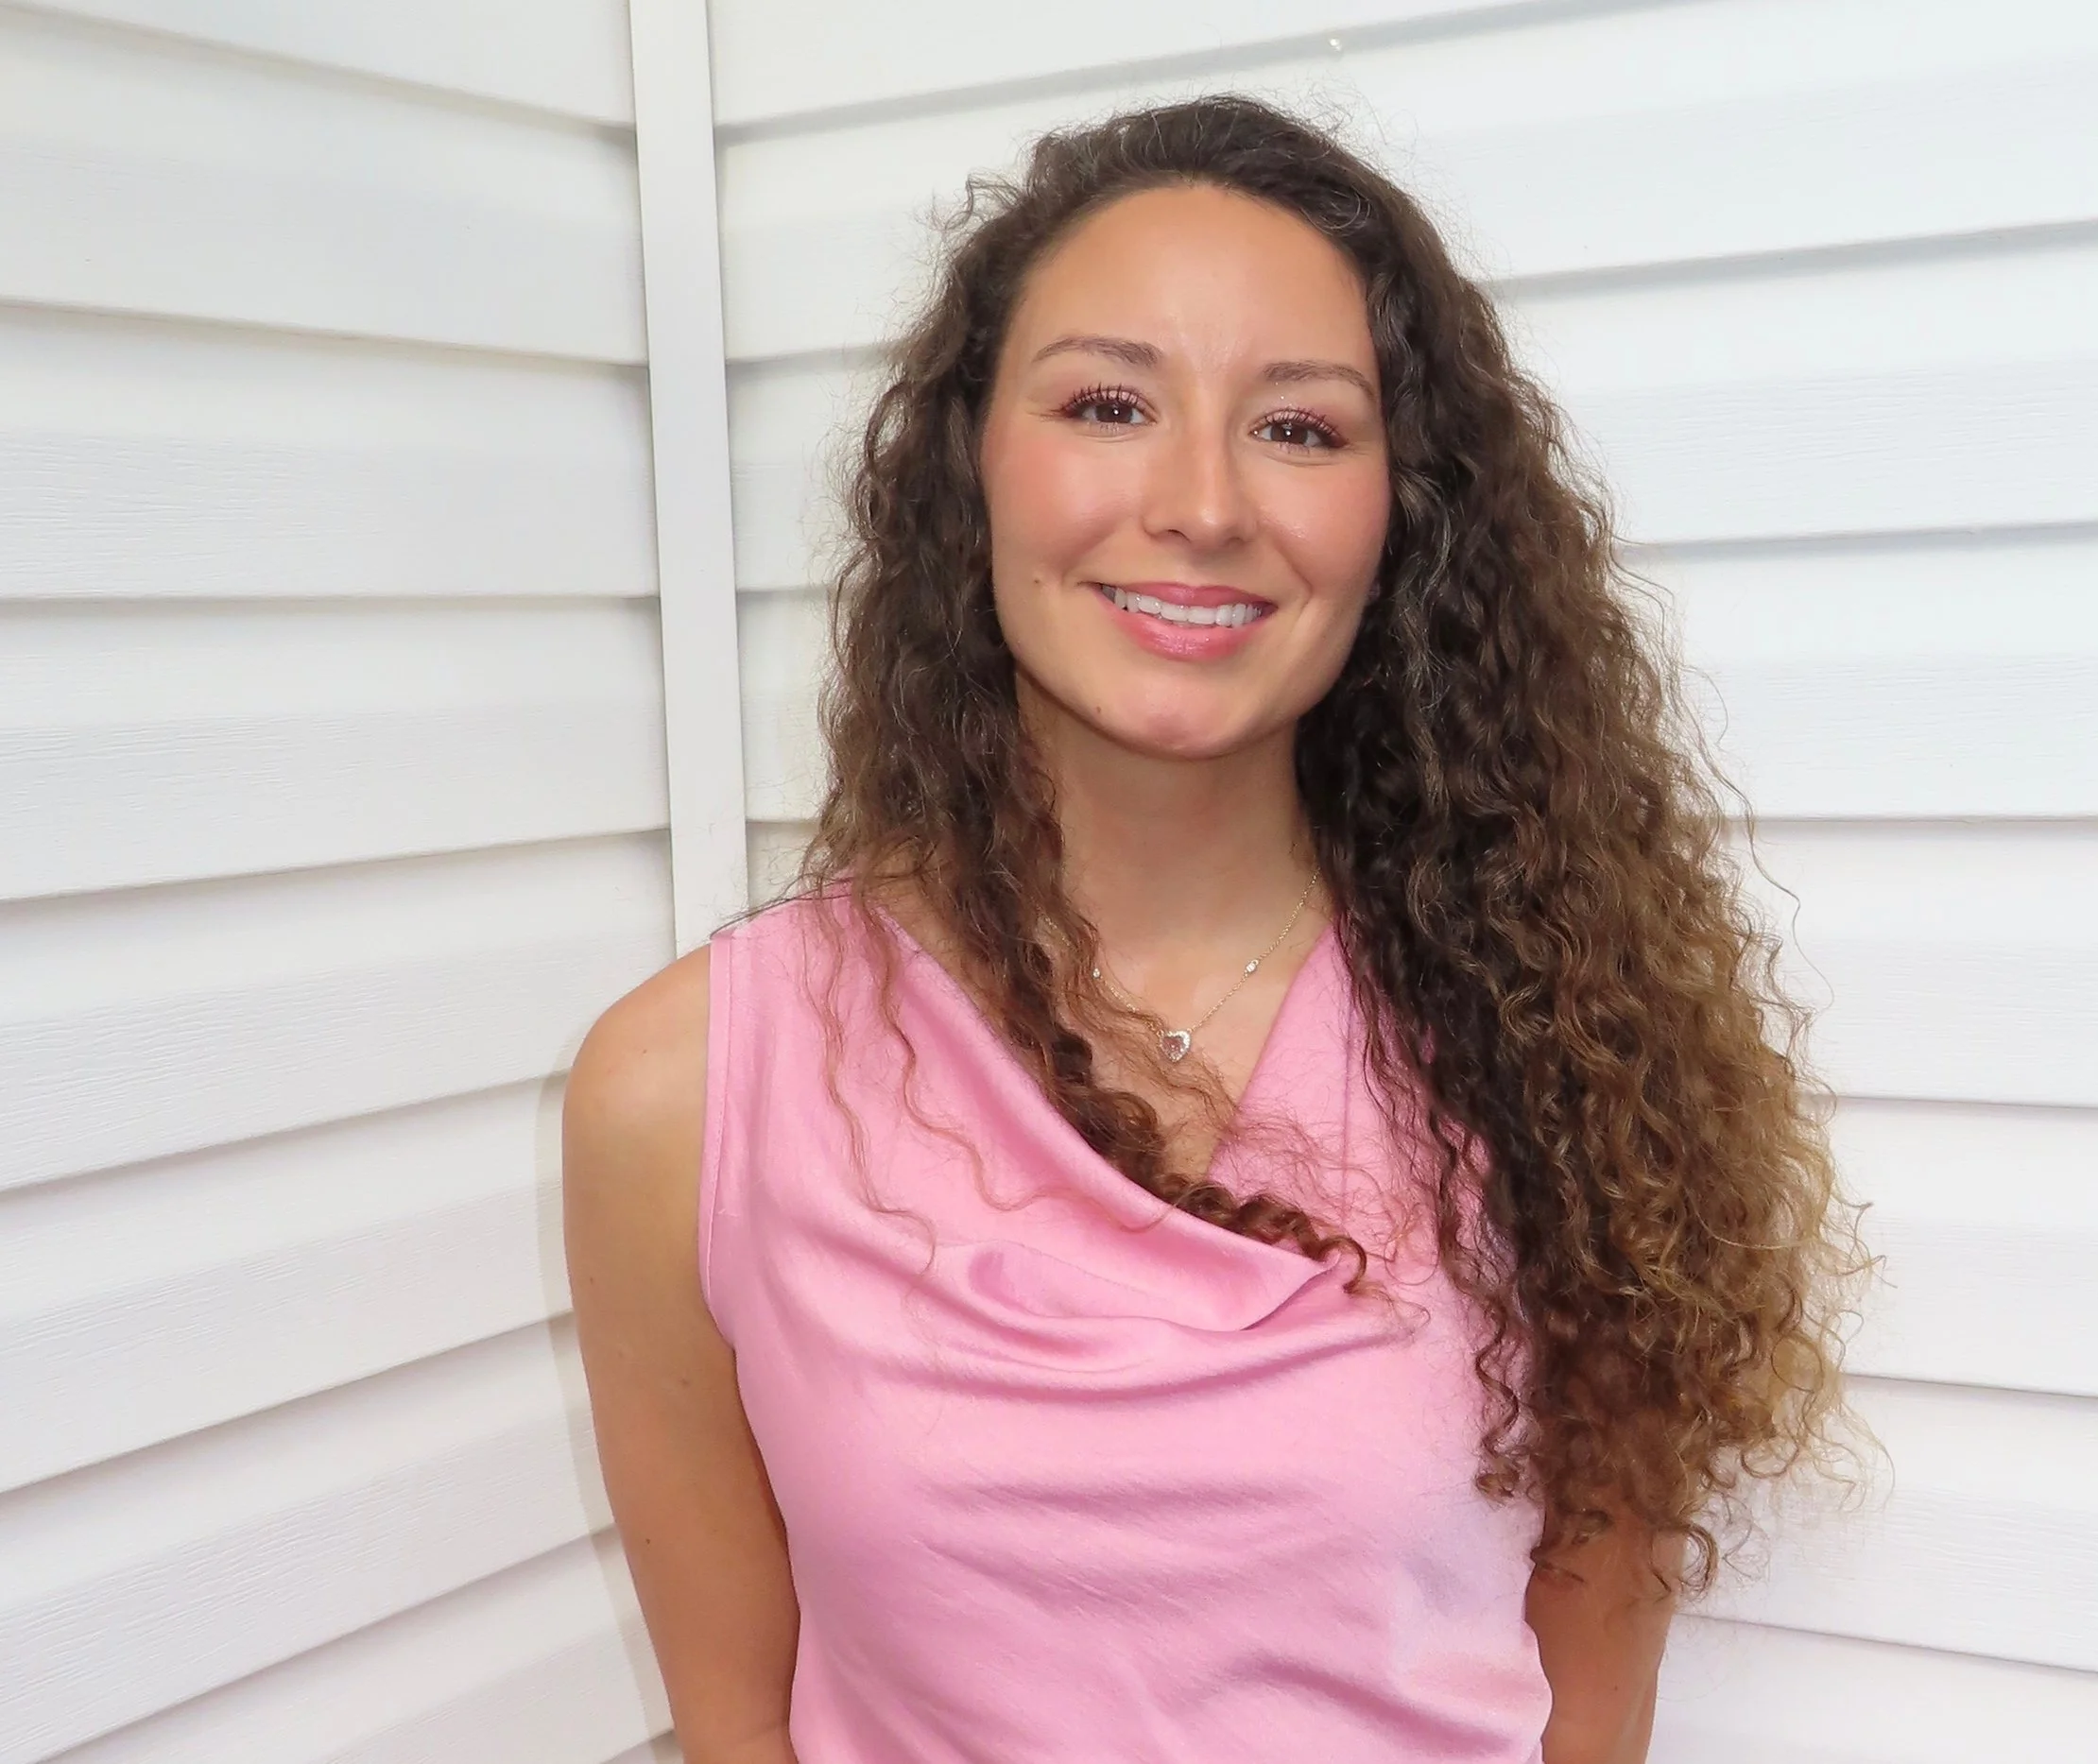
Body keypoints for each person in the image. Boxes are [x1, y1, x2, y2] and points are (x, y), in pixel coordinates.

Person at [564, 95, 1858, 1764]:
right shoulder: (683, 1095)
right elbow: (739, 1732)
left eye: (1299, 428)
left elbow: (1586, 1720)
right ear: (971, 462)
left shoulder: (1565, 1056)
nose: (1202, 503)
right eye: (1109, 404)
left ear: (1405, 512)